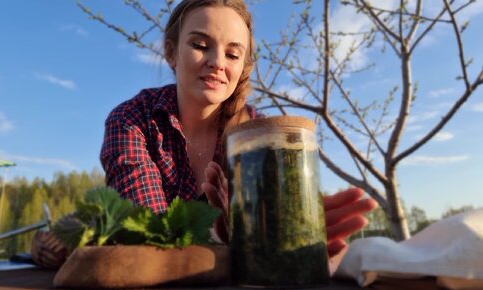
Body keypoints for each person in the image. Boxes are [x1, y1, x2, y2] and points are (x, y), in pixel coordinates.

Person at [31, 0, 377, 270]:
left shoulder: (261, 136)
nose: (217, 62)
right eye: (200, 45)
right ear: (171, 52)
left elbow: (275, 240)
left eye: (232, 53)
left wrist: (288, 236)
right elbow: (152, 233)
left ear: (243, 66)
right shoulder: (133, 119)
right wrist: (228, 239)